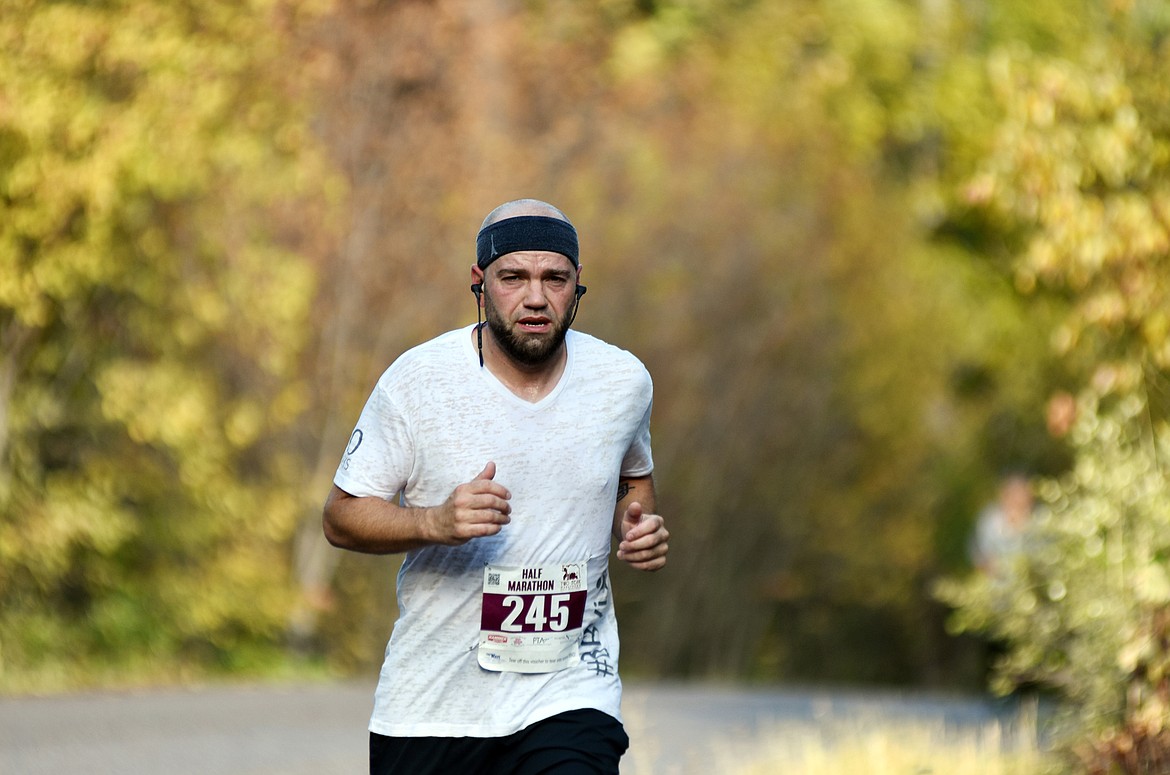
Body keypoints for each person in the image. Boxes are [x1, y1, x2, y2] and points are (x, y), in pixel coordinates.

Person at [322, 198, 670, 775]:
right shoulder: (417, 381)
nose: (536, 297)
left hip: (569, 690)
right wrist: (431, 522)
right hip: (434, 705)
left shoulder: (622, 381)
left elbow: (634, 476)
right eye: (515, 278)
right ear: (480, 284)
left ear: (577, 285)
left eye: (554, 278)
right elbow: (340, 518)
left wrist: (641, 528)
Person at [969, 472, 1034, 576]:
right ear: (1005, 496)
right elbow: (981, 554)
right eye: (1015, 494)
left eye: (1022, 494)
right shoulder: (989, 519)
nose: (1018, 499)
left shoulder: (1041, 519)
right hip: (999, 584)